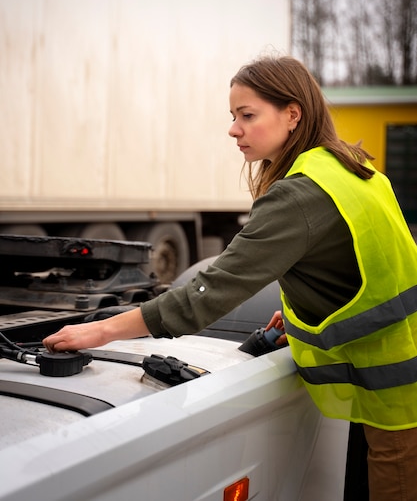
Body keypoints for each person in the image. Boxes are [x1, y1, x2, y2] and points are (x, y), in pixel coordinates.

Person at [43, 55, 417, 501]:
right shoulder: (355, 169)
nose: (233, 129)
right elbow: (369, 267)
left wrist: (100, 330)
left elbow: (206, 295)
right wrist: (307, 307)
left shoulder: (299, 196)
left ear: (292, 114)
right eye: (233, 116)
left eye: (247, 115)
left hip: (398, 394)